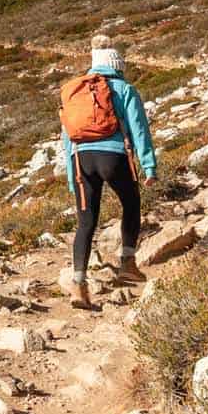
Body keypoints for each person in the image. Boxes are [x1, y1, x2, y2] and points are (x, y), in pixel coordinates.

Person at [57, 33, 158, 310]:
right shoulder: (124, 90)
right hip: (113, 157)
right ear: (118, 65)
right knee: (131, 202)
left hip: (81, 160)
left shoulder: (74, 91)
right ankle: (127, 262)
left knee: (86, 222)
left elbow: (67, 138)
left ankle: (79, 286)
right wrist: (148, 165)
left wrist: (70, 176)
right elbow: (139, 130)